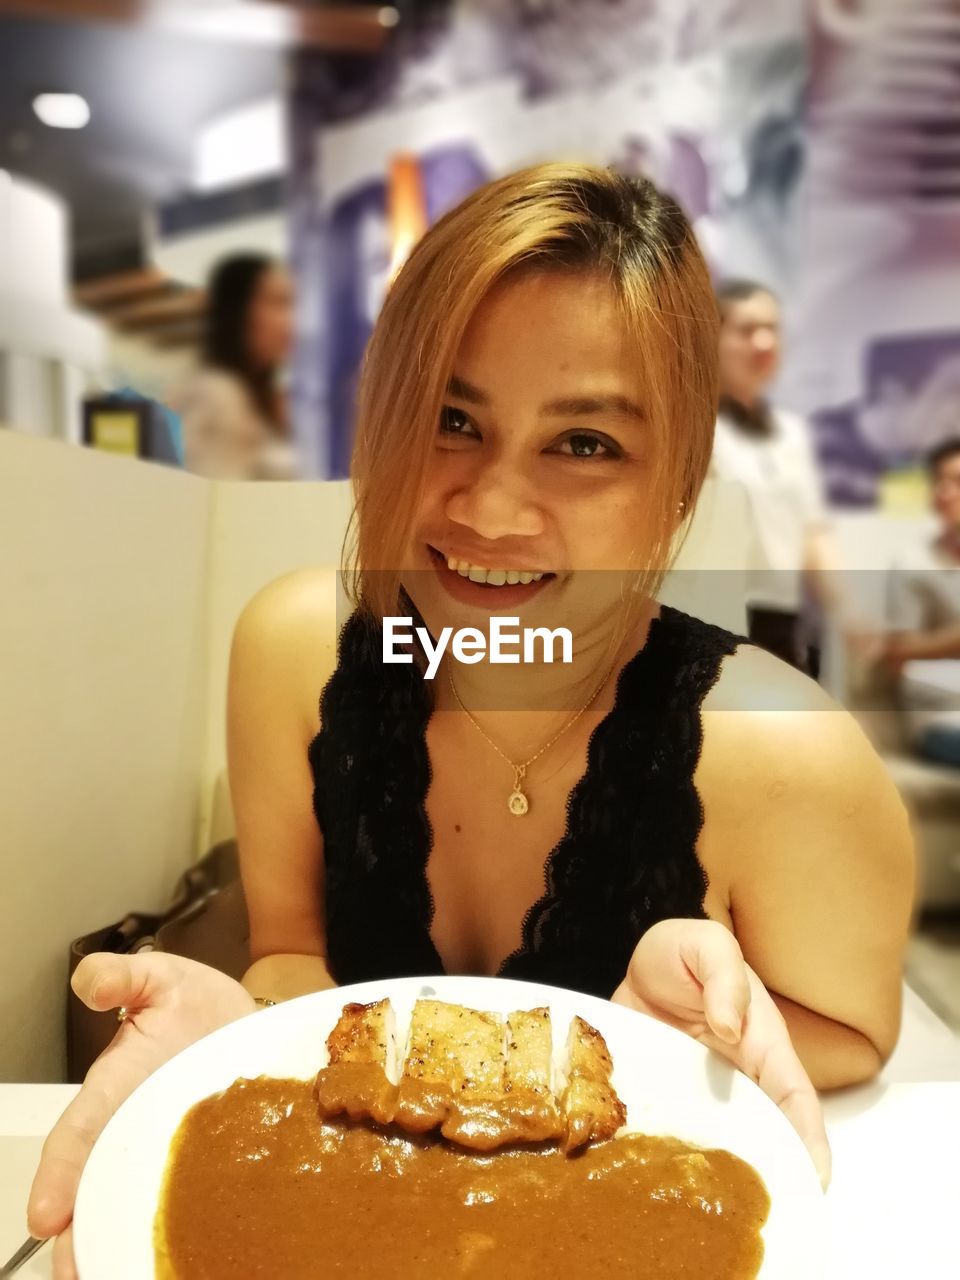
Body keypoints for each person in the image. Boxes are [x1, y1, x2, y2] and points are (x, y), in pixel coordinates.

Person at [30, 165, 913, 1275]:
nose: (490, 508)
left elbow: (859, 1036)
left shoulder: (790, 758)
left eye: (584, 441)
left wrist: (676, 1049)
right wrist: (243, 1043)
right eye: (450, 417)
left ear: (679, 485)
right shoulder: (296, 654)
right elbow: (295, 951)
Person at [710, 279, 842, 673]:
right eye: (747, 330)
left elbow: (813, 532)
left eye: (772, 329)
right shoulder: (694, 426)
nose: (764, 343)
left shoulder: (791, 433)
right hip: (712, 612)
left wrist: (852, 617)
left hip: (780, 617)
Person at [169, 253, 298, 481]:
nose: (292, 319)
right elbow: (219, 502)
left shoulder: (255, 398)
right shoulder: (215, 394)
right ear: (238, 310)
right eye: (278, 303)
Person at [876, 438, 960, 766]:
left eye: (957, 482)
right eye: (939, 481)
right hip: (944, 718)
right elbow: (897, 650)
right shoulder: (915, 563)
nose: (944, 491)